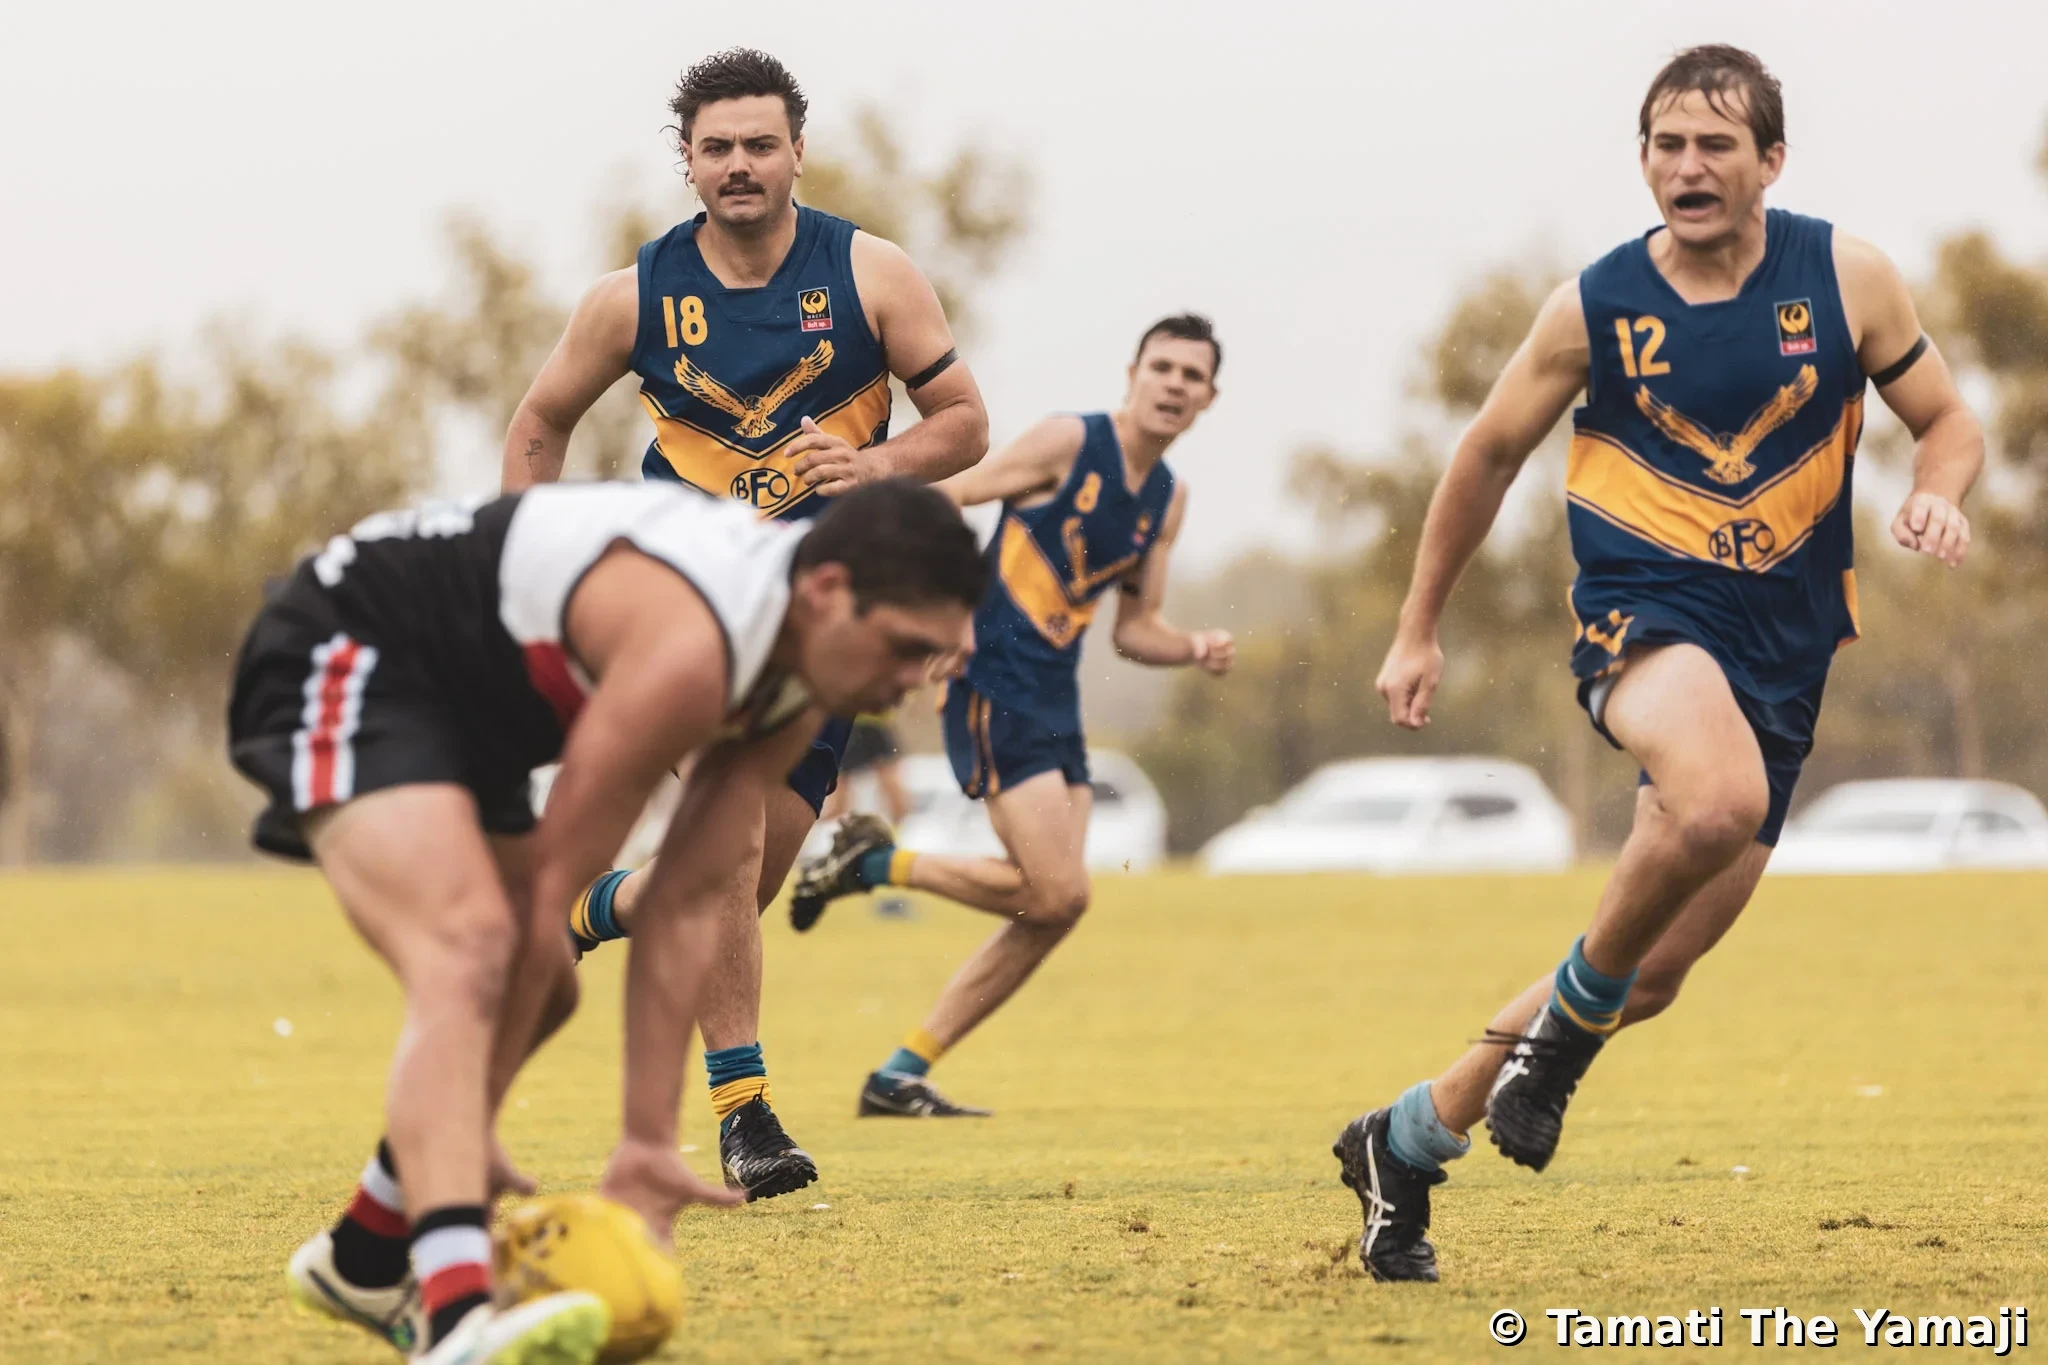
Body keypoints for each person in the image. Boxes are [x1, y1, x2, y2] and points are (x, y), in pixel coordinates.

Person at [1334, 45, 1984, 1284]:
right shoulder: (1593, 303)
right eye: (1664, 145)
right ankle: (1558, 1050)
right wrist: (1418, 624)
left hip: (1787, 650)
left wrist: (1935, 492)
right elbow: (1480, 459)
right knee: (1716, 799)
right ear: (1642, 159)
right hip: (1642, 613)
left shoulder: (1846, 277)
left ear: (1767, 162)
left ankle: (1404, 1140)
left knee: (1652, 972)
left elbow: (1946, 423)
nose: (1685, 167)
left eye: (1714, 146)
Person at [236, 480, 983, 1357]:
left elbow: (692, 900)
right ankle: (455, 1313)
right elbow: (553, 882)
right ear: (826, 591)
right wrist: (469, 1115)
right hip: (353, 641)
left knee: (547, 984)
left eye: (934, 654)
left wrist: (644, 1136)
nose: (910, 684)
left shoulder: (797, 683)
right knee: (481, 950)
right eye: (904, 647)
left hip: (473, 710)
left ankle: (363, 1253)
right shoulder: (693, 645)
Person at [501, 47, 987, 1203]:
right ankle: (743, 1113)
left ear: (796, 153)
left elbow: (965, 424)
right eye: (715, 147)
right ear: (686, 160)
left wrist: (873, 463)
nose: (737, 165)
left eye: (758, 144)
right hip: (680, 607)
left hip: (823, 629)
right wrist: (529, 566)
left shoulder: (873, 275)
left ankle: (591, 906)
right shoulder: (631, 296)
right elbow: (538, 422)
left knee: (733, 875)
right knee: (722, 837)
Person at [787, 314, 1237, 1116]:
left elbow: (1134, 630)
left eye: (1191, 376)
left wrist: (1195, 644)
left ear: (1209, 398)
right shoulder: (1069, 442)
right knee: (1058, 891)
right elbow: (949, 498)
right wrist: (950, 615)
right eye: (1162, 367)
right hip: (990, 672)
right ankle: (871, 866)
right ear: (1132, 373)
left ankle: (899, 1072)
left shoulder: (1166, 500)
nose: (1174, 384)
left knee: (1054, 906)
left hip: (1056, 693)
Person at [820, 710, 912, 827]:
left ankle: (902, 825)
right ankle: (902, 825)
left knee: (841, 782)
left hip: (855, 720)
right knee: (841, 782)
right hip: (868, 719)